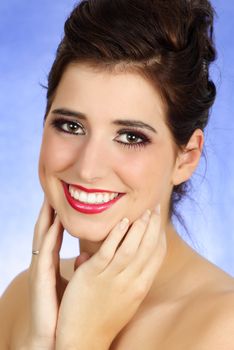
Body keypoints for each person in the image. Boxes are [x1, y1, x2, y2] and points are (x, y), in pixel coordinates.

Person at [1, 0, 234, 349]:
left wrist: (80, 341)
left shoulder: (222, 327)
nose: (88, 168)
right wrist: (38, 339)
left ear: (186, 157)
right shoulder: (23, 300)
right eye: (71, 125)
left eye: (130, 137)